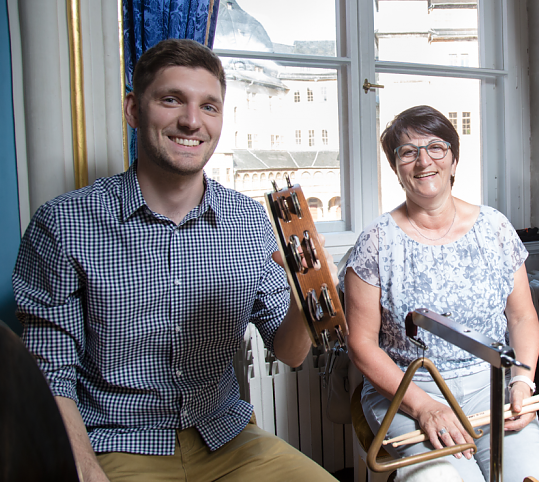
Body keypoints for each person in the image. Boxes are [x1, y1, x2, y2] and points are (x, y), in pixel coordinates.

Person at [13, 38, 337, 482]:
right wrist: (85, 470)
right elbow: (50, 373)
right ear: (133, 110)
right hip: (116, 445)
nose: (191, 121)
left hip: (227, 439)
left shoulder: (248, 220)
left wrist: (308, 299)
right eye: (171, 100)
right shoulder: (64, 224)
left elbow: (290, 353)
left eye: (209, 107)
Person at [341, 105, 539, 482]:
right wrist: (424, 408)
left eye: (436, 148)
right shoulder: (374, 242)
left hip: (492, 385)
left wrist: (522, 380)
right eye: (408, 151)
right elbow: (362, 345)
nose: (423, 161)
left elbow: (521, 317)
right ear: (396, 168)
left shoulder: (495, 228)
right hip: (409, 391)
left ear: (454, 161)